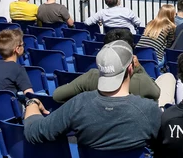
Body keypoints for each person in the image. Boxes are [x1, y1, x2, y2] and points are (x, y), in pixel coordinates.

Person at [24, 40, 162, 152]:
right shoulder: (150, 110)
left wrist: (33, 103)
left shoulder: (79, 104)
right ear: (131, 68)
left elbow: (33, 132)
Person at [53, 29, 163, 103]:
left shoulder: (91, 77)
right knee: (167, 78)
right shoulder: (140, 81)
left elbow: (57, 95)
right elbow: (156, 93)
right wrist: (139, 69)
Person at [0, 29, 34, 94]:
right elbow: (29, 93)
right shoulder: (18, 69)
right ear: (17, 49)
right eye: (23, 45)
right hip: (8, 103)